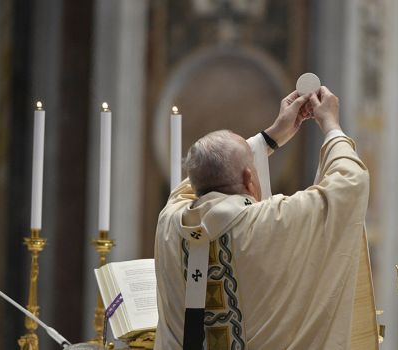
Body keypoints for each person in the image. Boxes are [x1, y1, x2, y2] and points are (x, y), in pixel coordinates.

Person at [154, 87, 379, 350]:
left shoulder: (170, 223)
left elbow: (199, 177)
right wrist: (331, 124)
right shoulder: (272, 222)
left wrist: (268, 138)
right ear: (250, 179)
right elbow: (350, 183)